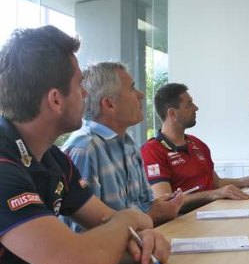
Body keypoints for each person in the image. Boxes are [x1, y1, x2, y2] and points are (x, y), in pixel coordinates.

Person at [0, 25, 169, 264]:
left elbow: (113, 220)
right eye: (79, 84)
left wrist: (141, 234)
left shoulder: (52, 158)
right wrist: (128, 222)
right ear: (56, 100)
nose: (86, 94)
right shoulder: (4, 168)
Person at [61, 62, 183, 232]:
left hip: (140, 246)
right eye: (132, 88)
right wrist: (152, 216)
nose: (140, 95)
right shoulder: (85, 150)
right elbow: (84, 235)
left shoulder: (129, 144)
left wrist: (162, 208)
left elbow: (146, 206)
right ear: (109, 104)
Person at [142, 83, 249, 213]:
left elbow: (217, 183)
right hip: (183, 224)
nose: (196, 108)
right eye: (189, 104)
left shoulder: (197, 144)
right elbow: (165, 202)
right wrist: (215, 194)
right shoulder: (152, 151)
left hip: (214, 215)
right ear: (172, 113)